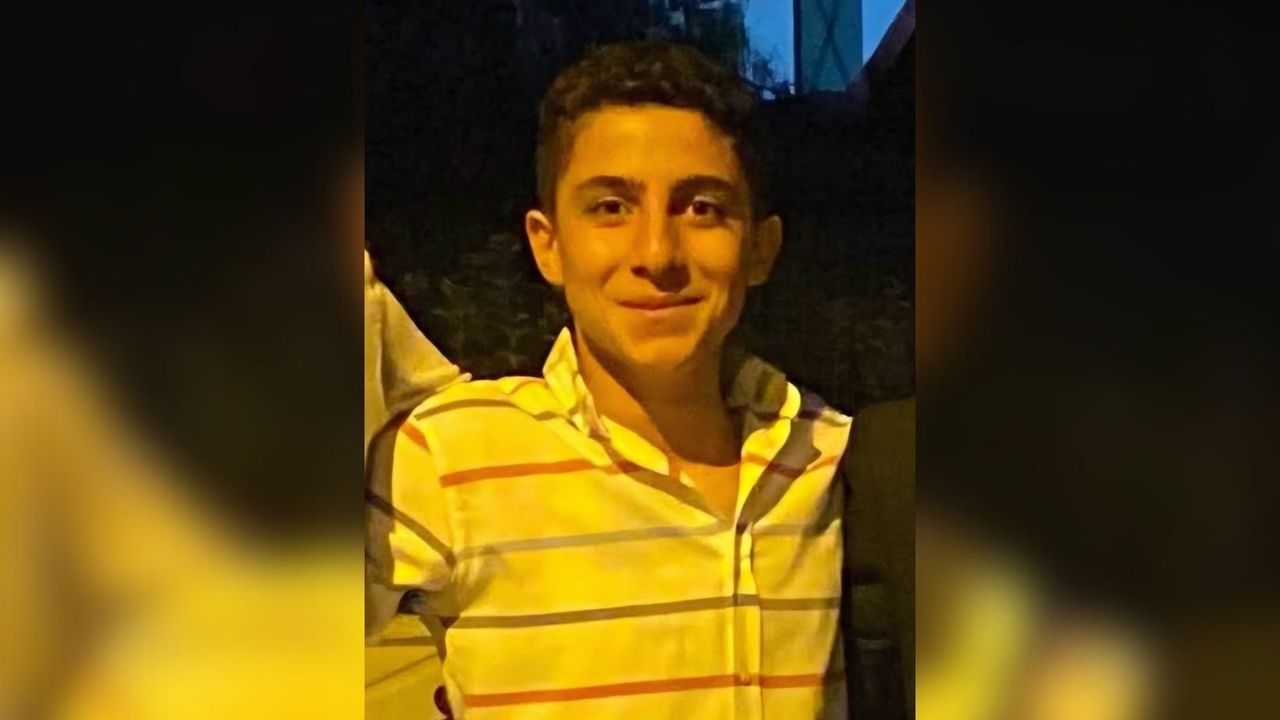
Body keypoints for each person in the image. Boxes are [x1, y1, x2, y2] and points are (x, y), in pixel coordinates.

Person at [367, 41, 853, 718]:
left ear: (761, 248)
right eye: (610, 208)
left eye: (702, 208)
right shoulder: (450, 455)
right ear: (548, 244)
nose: (657, 253)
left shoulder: (826, 452)